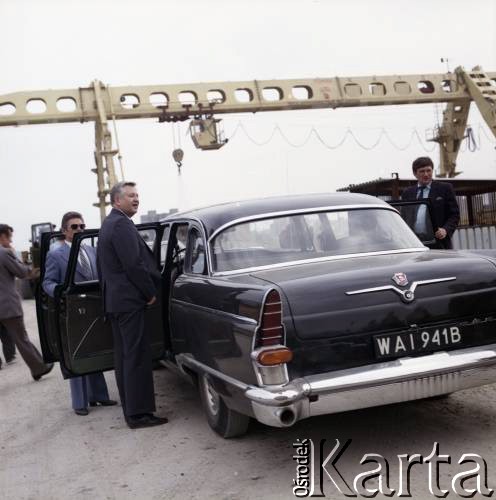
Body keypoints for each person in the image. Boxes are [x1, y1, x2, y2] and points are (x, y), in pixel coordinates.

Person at [97, 182, 167, 429]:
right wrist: (149, 293)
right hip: (129, 301)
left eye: (137, 195)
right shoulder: (121, 225)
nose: (136, 199)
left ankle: (132, 411)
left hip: (117, 301)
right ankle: (140, 414)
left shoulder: (109, 223)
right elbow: (134, 265)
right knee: (136, 357)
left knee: (125, 357)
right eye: (130, 196)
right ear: (117, 201)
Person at [43, 212, 117, 416]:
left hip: (94, 308)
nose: (79, 230)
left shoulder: (91, 251)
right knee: (77, 355)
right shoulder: (55, 255)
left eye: (82, 226)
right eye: (74, 227)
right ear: (64, 230)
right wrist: (63, 293)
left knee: (94, 350)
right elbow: (47, 283)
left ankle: (99, 396)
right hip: (73, 312)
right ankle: (80, 403)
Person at [0, 224, 54, 380]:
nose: (10, 240)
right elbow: (22, 272)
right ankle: (39, 368)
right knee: (21, 338)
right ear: (3, 236)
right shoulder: (4, 253)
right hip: (7, 305)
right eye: (9, 236)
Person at [401, 156, 460, 249]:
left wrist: (445, 230)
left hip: (439, 243)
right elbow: (403, 217)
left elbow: (454, 215)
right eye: (422, 171)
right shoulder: (407, 193)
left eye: (428, 170)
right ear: (415, 173)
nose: (426, 174)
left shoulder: (445, 189)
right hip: (414, 243)